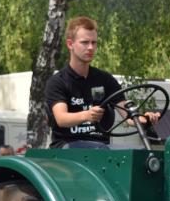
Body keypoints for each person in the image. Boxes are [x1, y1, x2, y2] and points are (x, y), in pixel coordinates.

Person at [46, 16, 159, 148]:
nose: (90, 47)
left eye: (94, 43)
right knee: (101, 150)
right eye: (85, 42)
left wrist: (145, 119)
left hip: (101, 146)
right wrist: (87, 115)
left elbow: (128, 116)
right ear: (70, 44)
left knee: (138, 154)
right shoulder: (57, 82)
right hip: (67, 147)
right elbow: (61, 119)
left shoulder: (105, 80)